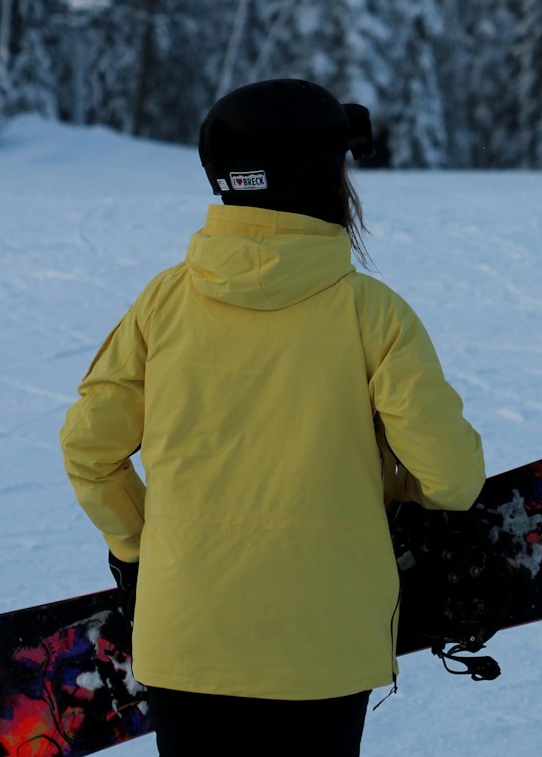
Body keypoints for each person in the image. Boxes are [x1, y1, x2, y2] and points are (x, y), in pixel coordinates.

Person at [60, 77, 485, 757]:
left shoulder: (162, 305)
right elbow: (454, 478)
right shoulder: (372, 315)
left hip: (187, 635)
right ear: (324, 177)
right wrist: (387, 493)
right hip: (325, 647)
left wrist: (148, 549)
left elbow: (89, 451)